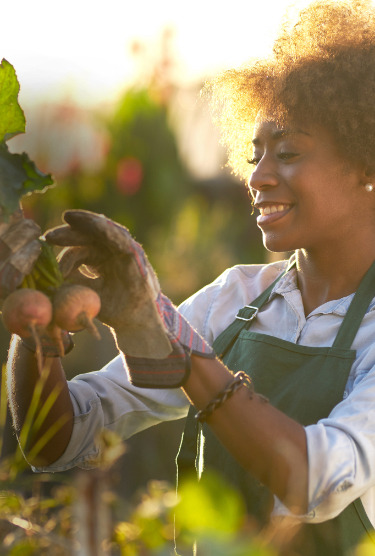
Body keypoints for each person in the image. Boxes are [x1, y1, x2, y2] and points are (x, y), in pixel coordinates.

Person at [7, 0, 375, 553]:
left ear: (366, 164)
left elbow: (313, 481)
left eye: (290, 152)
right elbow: (58, 440)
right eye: (255, 156)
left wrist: (183, 357)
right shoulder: (238, 298)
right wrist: (37, 329)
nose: (260, 177)